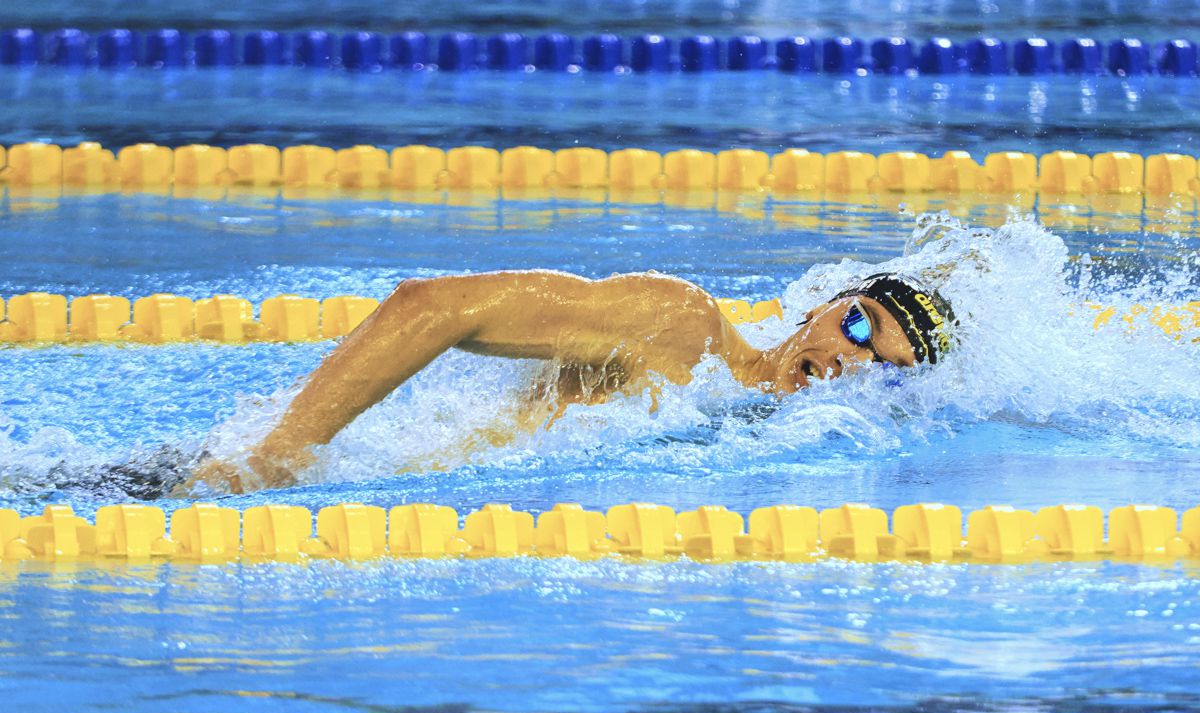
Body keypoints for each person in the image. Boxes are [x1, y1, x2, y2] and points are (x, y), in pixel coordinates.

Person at [188, 269, 954, 493]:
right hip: (257, 485)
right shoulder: (682, 331)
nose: (849, 359)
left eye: (883, 370)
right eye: (858, 324)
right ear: (821, 304)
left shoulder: (757, 449)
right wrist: (281, 451)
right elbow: (432, 305)